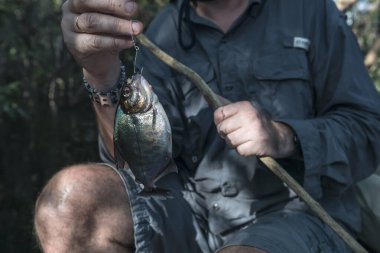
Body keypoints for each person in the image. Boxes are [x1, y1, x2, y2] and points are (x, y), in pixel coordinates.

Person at [34, 0, 380, 252]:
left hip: (300, 214)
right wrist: (100, 73)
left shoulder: (310, 11)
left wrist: (283, 136)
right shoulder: (163, 32)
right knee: (69, 206)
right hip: (194, 214)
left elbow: (369, 130)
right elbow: (140, 165)